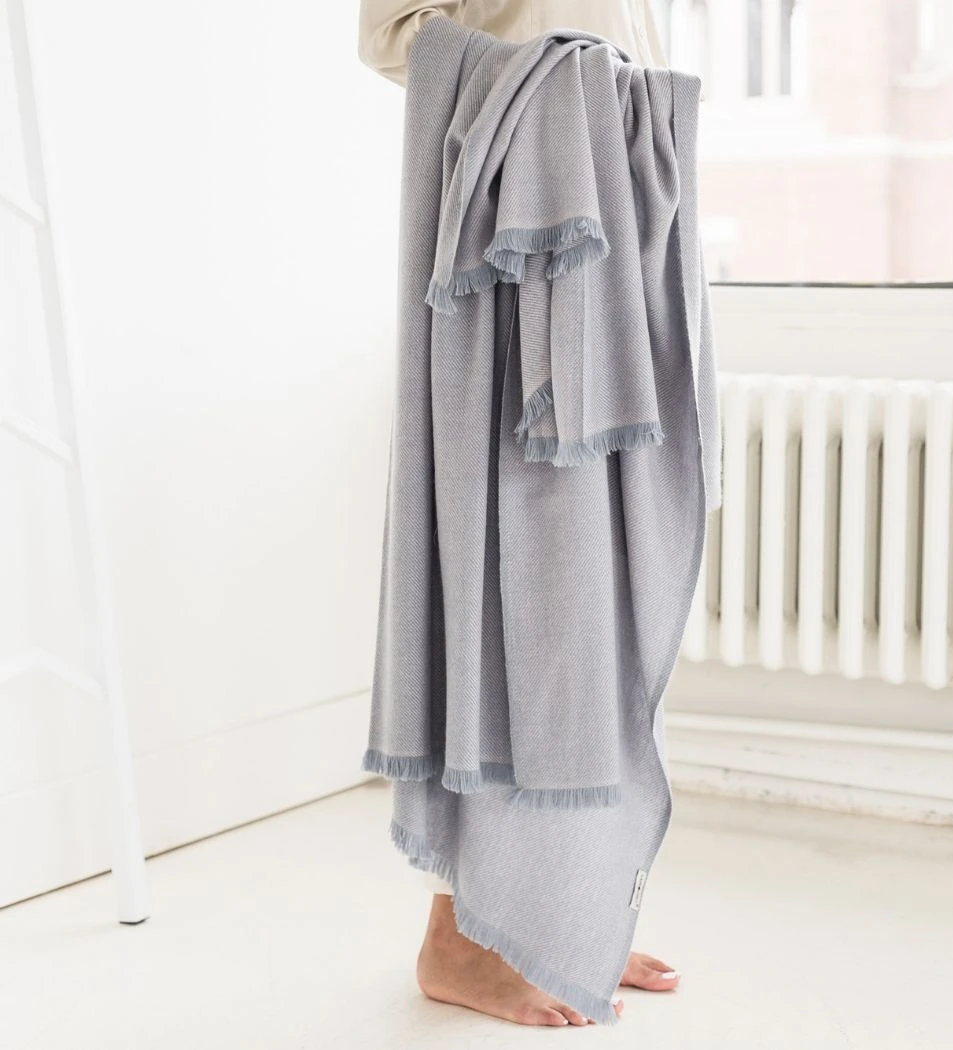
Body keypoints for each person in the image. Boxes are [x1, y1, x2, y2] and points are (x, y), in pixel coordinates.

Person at [358, 0, 685, 1028]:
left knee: (612, 584)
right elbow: (392, 30)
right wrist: (551, 86)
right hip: (508, 220)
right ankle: (461, 931)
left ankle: (564, 914)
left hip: (628, 183)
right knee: (504, 576)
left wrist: (612, 107)